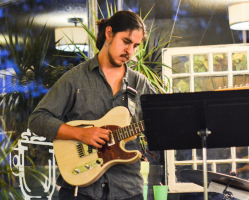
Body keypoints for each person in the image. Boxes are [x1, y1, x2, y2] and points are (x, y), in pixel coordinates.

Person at [29, 10, 156, 200]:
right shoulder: (75, 78)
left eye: (136, 46)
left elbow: (162, 122)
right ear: (109, 33)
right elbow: (37, 120)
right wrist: (81, 134)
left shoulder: (140, 84)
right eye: (126, 42)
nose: (130, 51)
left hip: (127, 190)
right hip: (80, 190)